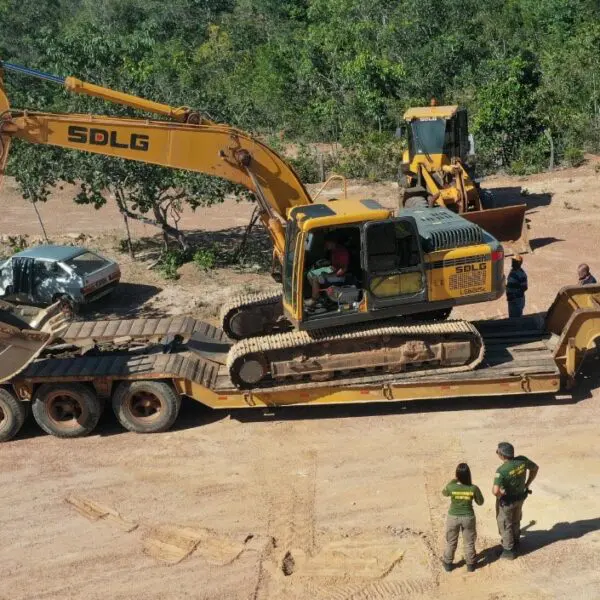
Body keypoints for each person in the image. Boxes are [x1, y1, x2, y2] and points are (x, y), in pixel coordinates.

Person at [492, 442, 539, 559]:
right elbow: (535, 468)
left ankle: (508, 551)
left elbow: (495, 491)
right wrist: (527, 484)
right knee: (516, 519)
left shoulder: (501, 470)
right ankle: (516, 541)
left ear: (502, 455)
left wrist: (499, 495)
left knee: (505, 524)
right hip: (520, 497)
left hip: (507, 502)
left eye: (497, 451)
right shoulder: (522, 460)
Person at [441, 463, 484, 573]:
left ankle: (448, 564)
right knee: (469, 542)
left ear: (457, 475)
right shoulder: (473, 488)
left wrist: (453, 480)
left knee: (451, 541)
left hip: (453, 517)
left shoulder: (452, 487)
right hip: (468, 517)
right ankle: (470, 565)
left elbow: (444, 493)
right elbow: (480, 502)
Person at [305, 236, 350, 307]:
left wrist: (330, 274)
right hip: (332, 269)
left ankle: (315, 299)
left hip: (340, 275)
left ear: (332, 242)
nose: (325, 245)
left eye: (327, 243)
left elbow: (344, 269)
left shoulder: (342, 252)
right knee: (310, 274)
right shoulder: (334, 250)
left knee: (315, 278)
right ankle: (319, 294)